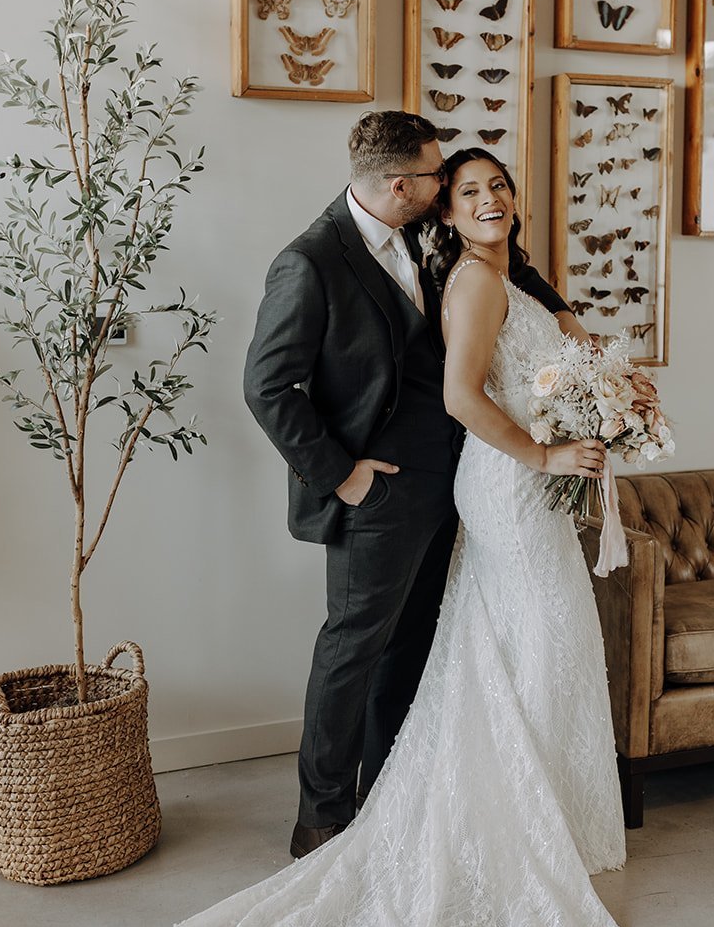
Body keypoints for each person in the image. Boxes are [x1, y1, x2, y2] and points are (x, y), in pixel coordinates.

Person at [60, 146, 709, 927]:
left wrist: (608, 405)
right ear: (439, 207)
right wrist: (542, 451)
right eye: (468, 190)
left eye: (499, 184)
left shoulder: (516, 273)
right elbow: (454, 396)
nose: (489, 197)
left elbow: (542, 378)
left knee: (523, 645)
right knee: (522, 637)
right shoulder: (467, 280)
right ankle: (409, 817)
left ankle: (555, 816)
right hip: (502, 487)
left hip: (515, 488)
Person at [241, 111, 573, 858]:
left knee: (412, 648)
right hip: (377, 491)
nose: (444, 185)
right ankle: (320, 818)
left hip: (457, 481)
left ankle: (389, 790)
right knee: (353, 647)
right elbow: (268, 387)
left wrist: (564, 317)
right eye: (436, 176)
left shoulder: (425, 234)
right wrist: (342, 476)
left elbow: (508, 264)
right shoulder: (311, 261)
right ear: (405, 185)